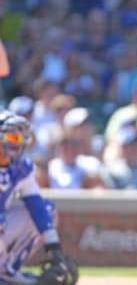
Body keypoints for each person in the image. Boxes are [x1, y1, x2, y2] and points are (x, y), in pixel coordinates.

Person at [0, 110, 78, 284]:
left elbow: (36, 203)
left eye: (20, 137)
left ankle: (7, 270)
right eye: (13, 138)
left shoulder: (21, 166)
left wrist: (54, 246)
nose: (17, 143)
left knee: (47, 209)